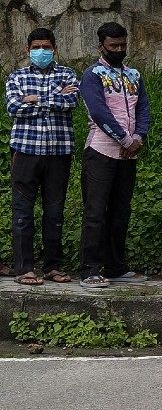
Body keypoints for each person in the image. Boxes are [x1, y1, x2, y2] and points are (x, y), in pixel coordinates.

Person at [77, 22, 152, 289]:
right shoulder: (92, 75)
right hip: (100, 151)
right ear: (101, 46)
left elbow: (143, 108)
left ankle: (115, 266)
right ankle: (90, 269)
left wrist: (138, 138)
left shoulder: (134, 75)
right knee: (96, 212)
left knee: (121, 211)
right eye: (113, 46)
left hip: (129, 154)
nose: (119, 50)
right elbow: (99, 112)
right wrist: (124, 139)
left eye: (123, 45)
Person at [7, 28, 79, 285]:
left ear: (55, 49)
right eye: (36, 47)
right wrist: (53, 98)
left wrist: (33, 99)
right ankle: (24, 269)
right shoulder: (17, 76)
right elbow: (13, 108)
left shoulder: (67, 73)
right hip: (25, 152)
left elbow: (71, 102)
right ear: (27, 50)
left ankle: (52, 266)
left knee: (54, 212)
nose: (41, 51)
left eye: (46, 47)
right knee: (23, 211)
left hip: (59, 153)